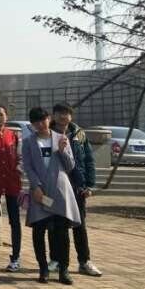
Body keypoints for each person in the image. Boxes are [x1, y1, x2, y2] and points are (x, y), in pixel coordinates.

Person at [22, 107, 81, 285]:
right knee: (39, 231)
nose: (40, 124)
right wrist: (36, 186)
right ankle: (43, 268)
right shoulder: (28, 142)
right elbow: (28, 166)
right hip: (40, 192)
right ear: (32, 124)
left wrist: (63, 150)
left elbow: (70, 166)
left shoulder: (61, 138)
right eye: (36, 122)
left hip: (60, 191)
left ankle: (64, 270)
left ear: (49, 119)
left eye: (43, 120)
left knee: (62, 232)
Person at [50, 103, 102, 277]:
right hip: (56, 186)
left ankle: (84, 261)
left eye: (66, 113)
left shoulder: (79, 134)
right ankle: (56, 260)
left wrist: (89, 185)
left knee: (80, 225)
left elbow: (88, 160)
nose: (62, 116)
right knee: (56, 225)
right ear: (53, 115)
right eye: (59, 113)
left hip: (77, 186)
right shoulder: (47, 134)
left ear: (71, 116)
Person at [0, 104, 23, 273]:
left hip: (12, 182)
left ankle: (15, 257)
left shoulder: (14, 136)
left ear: (6, 116)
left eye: (1, 114)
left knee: (14, 221)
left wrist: (19, 169)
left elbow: (21, 156)